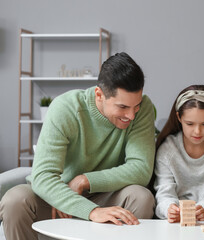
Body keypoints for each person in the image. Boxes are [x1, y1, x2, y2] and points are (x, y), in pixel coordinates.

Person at [0, 52, 156, 240]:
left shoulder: (144, 109)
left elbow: (141, 169)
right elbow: (43, 176)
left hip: (106, 196)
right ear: (99, 94)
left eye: (136, 106)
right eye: (122, 107)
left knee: (141, 197)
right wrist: (90, 211)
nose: (131, 116)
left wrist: (85, 180)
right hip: (59, 195)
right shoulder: (66, 108)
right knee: (14, 200)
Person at [154, 85, 204, 223]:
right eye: (190, 124)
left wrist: (203, 208)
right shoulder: (167, 150)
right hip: (173, 223)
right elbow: (164, 192)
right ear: (179, 117)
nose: (197, 131)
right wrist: (170, 209)